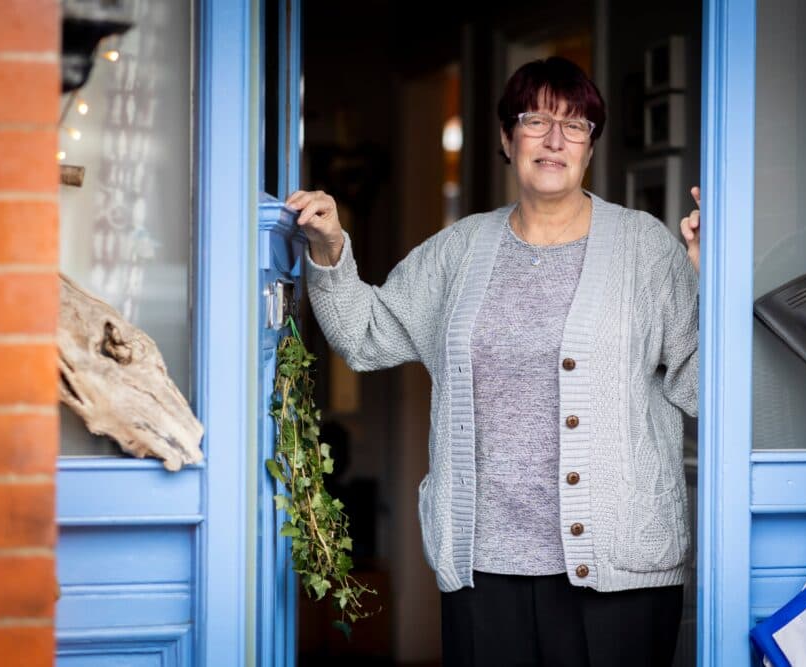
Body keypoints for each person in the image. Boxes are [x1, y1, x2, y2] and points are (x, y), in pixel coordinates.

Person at [288, 56, 701, 667]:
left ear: (591, 145)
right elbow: (367, 335)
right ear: (508, 139)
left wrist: (705, 283)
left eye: (576, 124)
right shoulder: (460, 250)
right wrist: (330, 248)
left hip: (621, 570)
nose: (556, 140)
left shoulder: (647, 249)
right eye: (535, 121)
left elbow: (699, 388)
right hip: (486, 569)